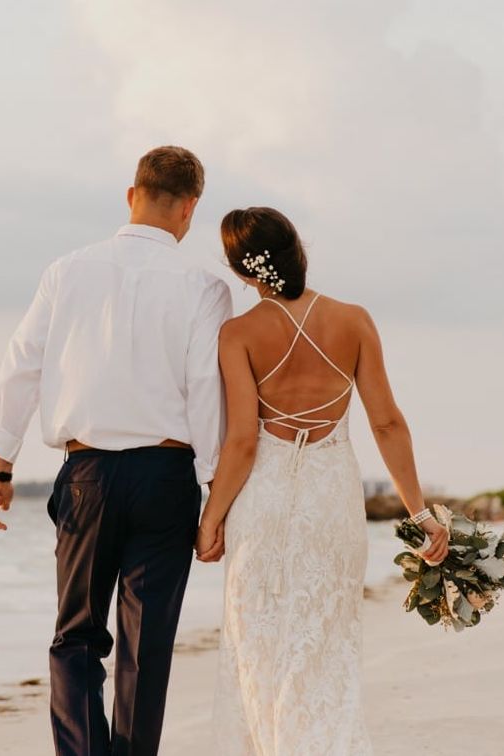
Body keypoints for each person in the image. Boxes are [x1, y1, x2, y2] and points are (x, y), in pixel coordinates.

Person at [0, 146, 233, 756]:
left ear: (130, 194)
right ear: (191, 207)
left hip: (86, 474)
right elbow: (206, 394)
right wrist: (215, 495)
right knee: (147, 650)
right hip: (168, 477)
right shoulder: (203, 288)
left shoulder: (67, 271)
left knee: (76, 637)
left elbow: (22, 367)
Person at [198, 207, 449, 755]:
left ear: (243, 272)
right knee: (326, 643)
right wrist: (420, 512)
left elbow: (242, 441)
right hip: (331, 494)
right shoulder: (353, 320)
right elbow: (387, 422)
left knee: (258, 643)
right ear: (296, 250)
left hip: (261, 499)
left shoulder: (236, 334)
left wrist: (211, 518)